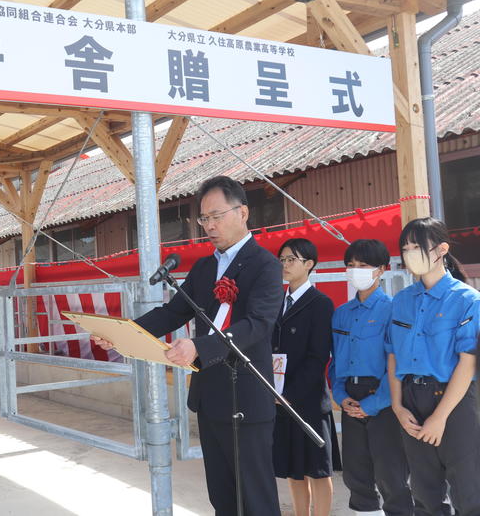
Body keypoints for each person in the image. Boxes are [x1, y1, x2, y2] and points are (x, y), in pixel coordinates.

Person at [93, 175, 283, 515]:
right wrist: (124, 332)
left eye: (216, 216)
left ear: (243, 213)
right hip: (211, 397)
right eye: (203, 218)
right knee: (222, 496)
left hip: (247, 400)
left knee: (256, 499)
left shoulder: (265, 265)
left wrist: (200, 348)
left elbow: (258, 324)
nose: (209, 225)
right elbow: (173, 312)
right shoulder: (204, 266)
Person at [386, 217, 480, 515]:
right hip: (411, 400)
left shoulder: (467, 300)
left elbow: (467, 363)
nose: (410, 253)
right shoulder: (400, 301)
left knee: (469, 493)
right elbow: (392, 356)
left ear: (442, 249)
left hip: (454, 401)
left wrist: (440, 418)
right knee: (424, 495)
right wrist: (398, 407)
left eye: (417, 247)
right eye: (405, 248)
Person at [331, 239, 414, 516]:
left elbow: (398, 364)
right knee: (356, 473)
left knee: (390, 473)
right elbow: (336, 360)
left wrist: (374, 403)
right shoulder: (341, 314)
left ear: (382, 269)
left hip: (384, 398)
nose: (356, 271)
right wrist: (341, 396)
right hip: (350, 397)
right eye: (351, 266)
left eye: (363, 266)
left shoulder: (393, 310)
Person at [272, 238, 339, 516]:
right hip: (278, 396)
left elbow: (318, 356)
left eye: (292, 260)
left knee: (318, 469)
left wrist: (290, 395)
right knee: (293, 469)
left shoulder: (320, 303)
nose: (285, 265)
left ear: (309, 264)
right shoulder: (277, 301)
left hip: (307, 399)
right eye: (282, 260)